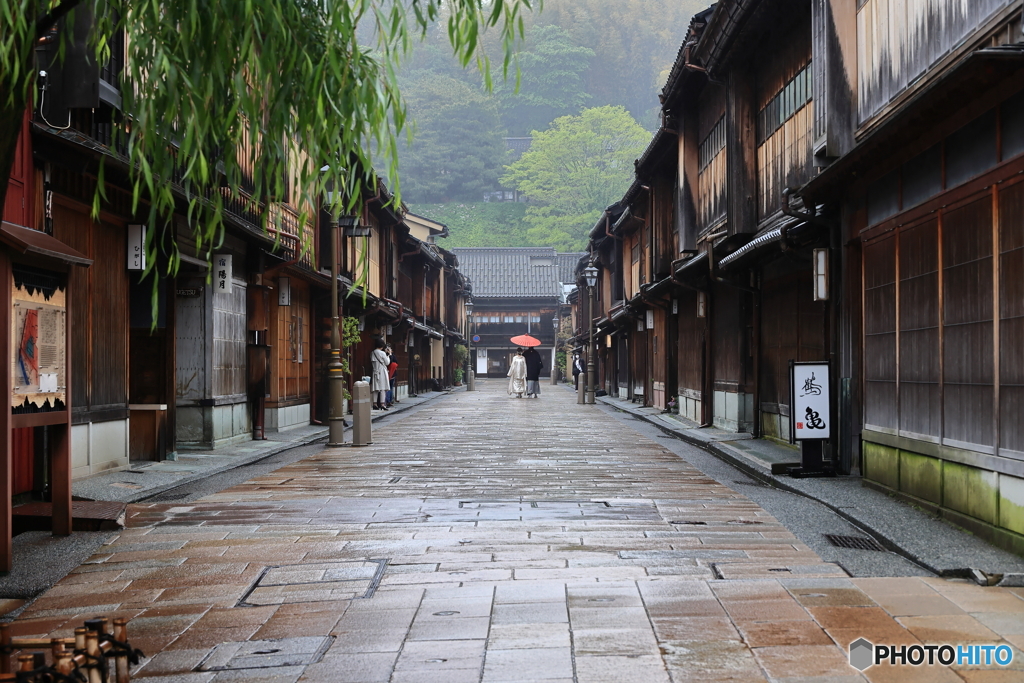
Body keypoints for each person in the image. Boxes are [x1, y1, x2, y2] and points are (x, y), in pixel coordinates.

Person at [371, 339, 390, 410]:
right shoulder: (382, 353)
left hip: (375, 371)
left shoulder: (372, 352)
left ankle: (374, 404)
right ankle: (382, 404)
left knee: (375, 389)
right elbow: (387, 362)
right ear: (382, 346)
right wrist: (388, 355)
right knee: (382, 388)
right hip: (382, 371)